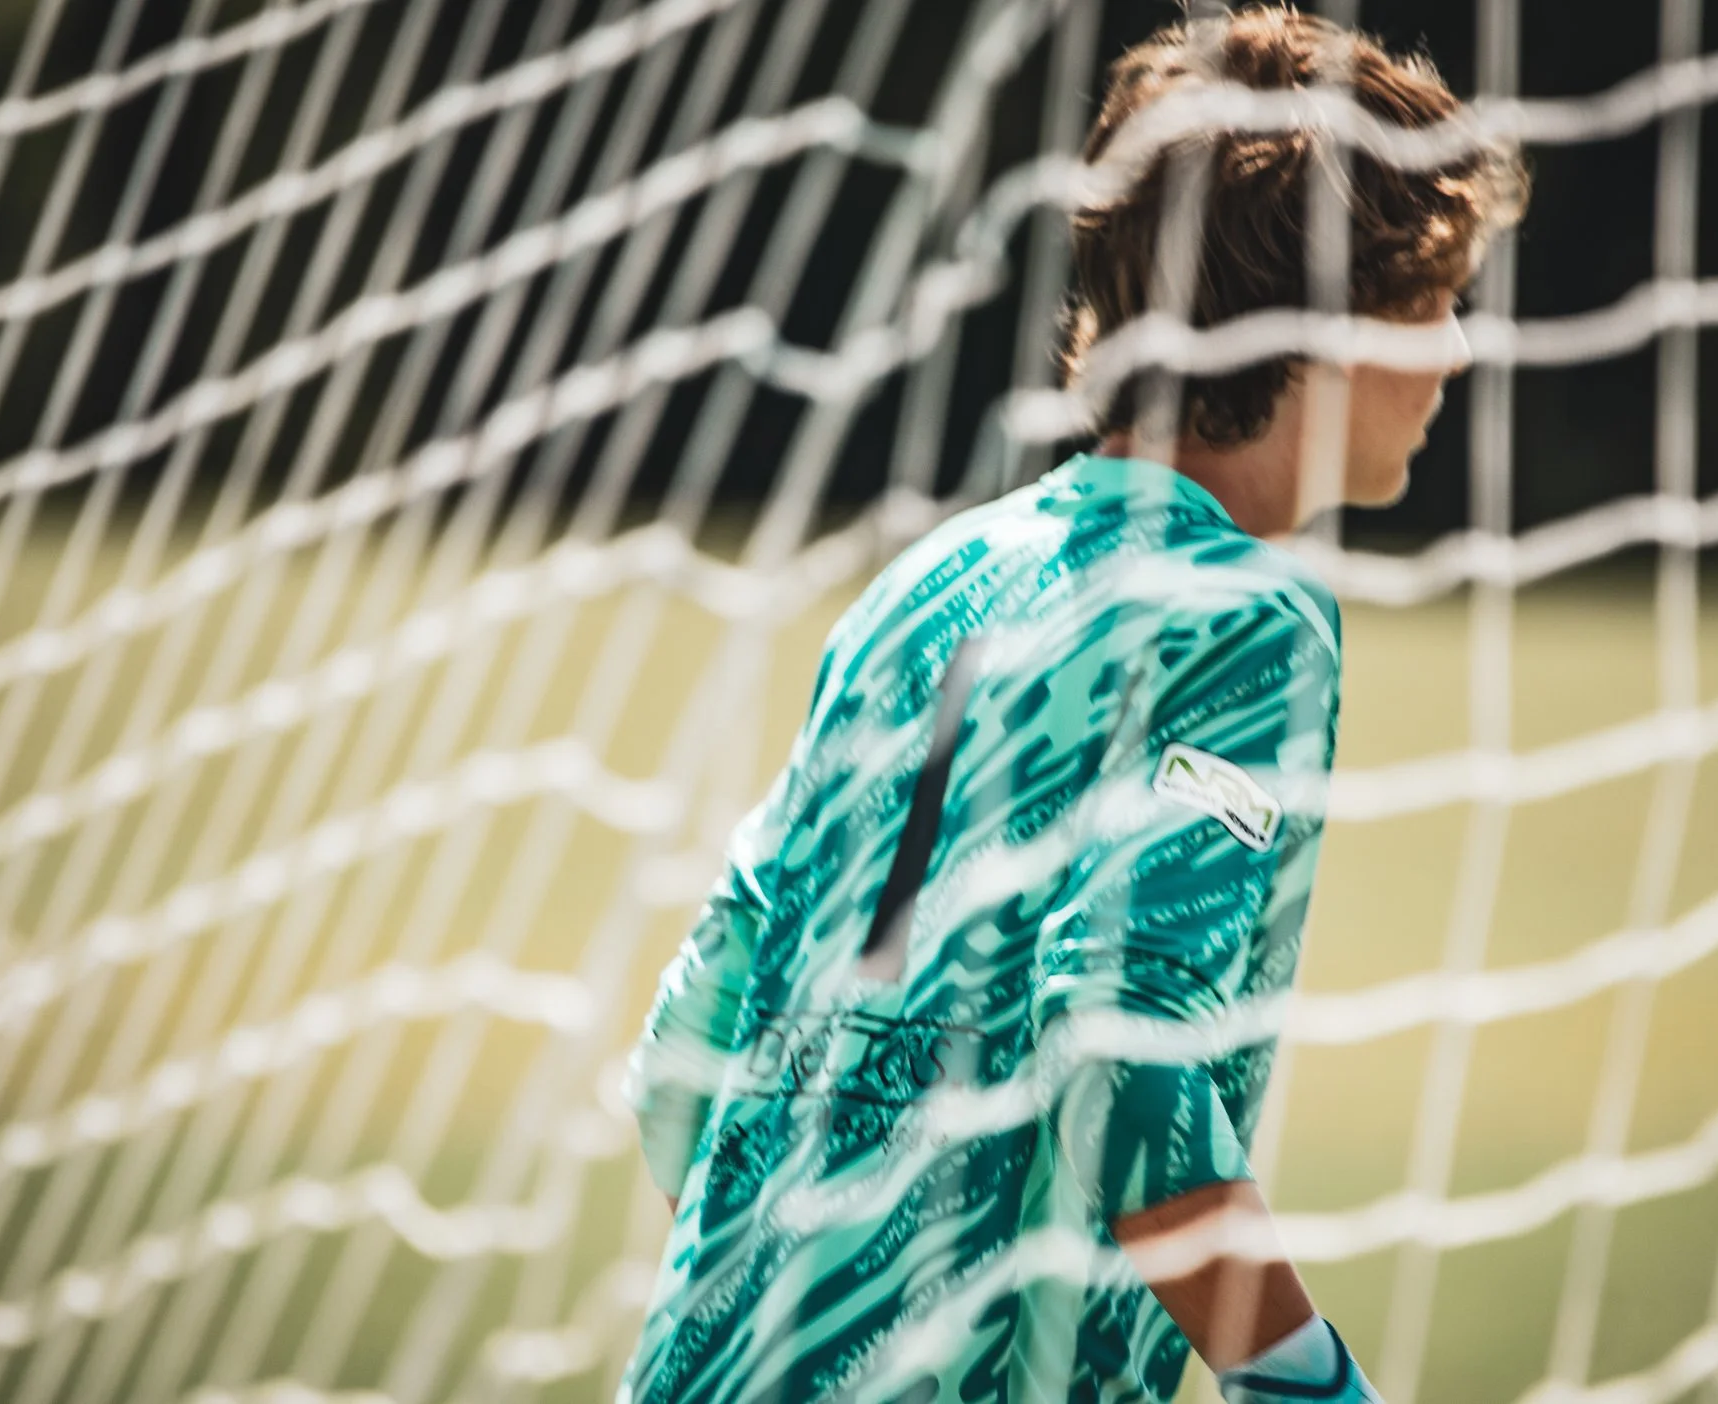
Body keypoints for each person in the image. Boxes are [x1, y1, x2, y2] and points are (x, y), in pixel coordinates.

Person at [618, 9, 1521, 1401]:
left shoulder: (923, 586)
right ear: (1319, 327)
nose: (1456, 352)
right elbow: (1117, 1044)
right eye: (1427, 301)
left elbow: (687, 1042)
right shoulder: (1241, 620)